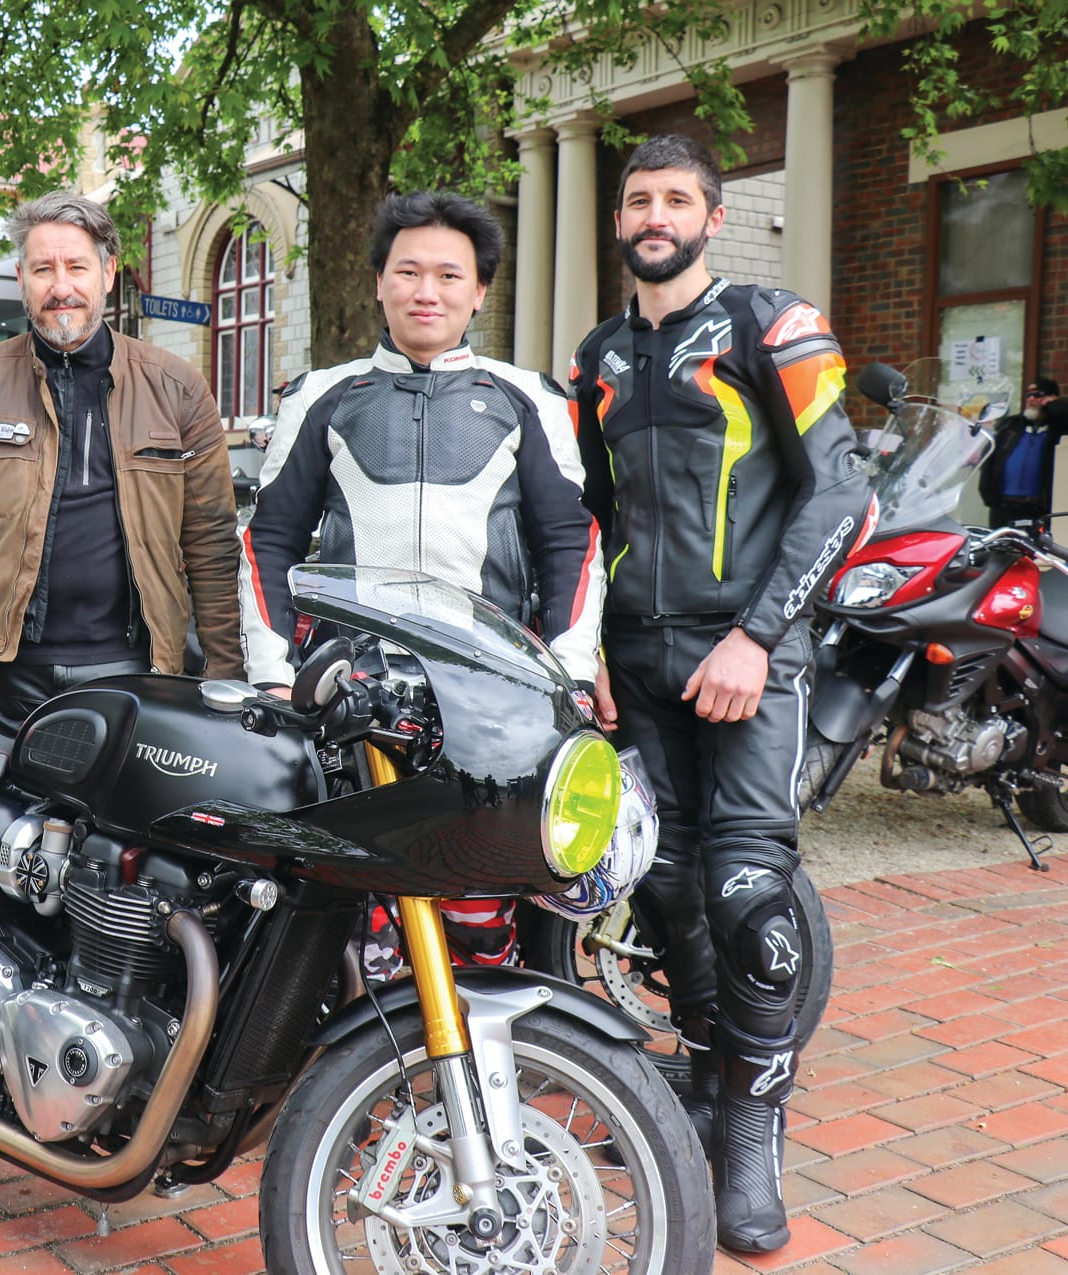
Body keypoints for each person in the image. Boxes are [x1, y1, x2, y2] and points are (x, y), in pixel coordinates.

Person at [570, 135, 872, 1254]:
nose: (655, 216)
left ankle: (751, 1129)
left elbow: (841, 496)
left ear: (709, 215)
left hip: (747, 660)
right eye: (638, 200)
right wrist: (586, 648)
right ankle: (700, 1077)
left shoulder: (768, 325)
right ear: (618, 221)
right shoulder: (595, 358)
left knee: (749, 898)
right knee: (657, 890)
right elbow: (589, 522)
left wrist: (755, 636)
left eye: (676, 199)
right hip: (635, 669)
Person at [240, 190, 605, 972]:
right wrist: (273, 678)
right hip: (349, 697)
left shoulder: (529, 399)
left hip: (485, 697)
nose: (425, 290)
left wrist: (571, 675)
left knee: (476, 914)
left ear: (479, 291)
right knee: (353, 916)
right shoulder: (320, 396)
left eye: (449, 274)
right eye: (407, 271)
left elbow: (571, 544)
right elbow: (267, 539)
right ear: (378, 281)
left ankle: (471, 1078)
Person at [0, 191, 244, 732]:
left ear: (108, 273)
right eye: (43, 268)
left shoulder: (177, 388)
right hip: (3, 680)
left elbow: (211, 545)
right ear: (21, 277)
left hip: (136, 677)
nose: (60, 287)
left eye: (76, 267)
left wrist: (224, 679)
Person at [978, 376, 1068, 528]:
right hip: (1004, 508)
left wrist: (1053, 406)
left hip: (1039, 510)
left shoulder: (1058, 428)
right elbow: (989, 460)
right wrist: (988, 495)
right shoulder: (1011, 426)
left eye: (1038, 395)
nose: (1031, 399)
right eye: (1028, 395)